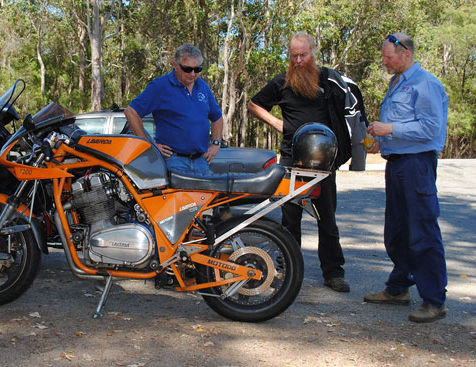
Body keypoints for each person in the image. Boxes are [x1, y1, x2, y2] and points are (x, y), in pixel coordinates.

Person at [248, 32, 368, 293]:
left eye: (303, 55)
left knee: (327, 218)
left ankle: (334, 273)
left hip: (324, 161)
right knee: (290, 218)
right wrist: (279, 124)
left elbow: (350, 109)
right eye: (294, 56)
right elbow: (254, 104)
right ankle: (288, 270)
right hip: (292, 159)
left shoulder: (328, 80)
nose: (299, 60)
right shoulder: (281, 83)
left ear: (313, 53)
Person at [364, 33, 448, 323]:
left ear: (406, 54)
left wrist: (390, 129)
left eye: (389, 57)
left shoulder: (425, 84)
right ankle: (398, 288)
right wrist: (382, 142)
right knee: (397, 231)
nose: (385, 62)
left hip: (417, 165)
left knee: (422, 231)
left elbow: (430, 129)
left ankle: (434, 300)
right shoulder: (397, 82)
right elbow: (403, 125)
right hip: (398, 163)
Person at [124, 44, 223, 176]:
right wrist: (149, 146)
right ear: (175, 65)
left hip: (201, 161)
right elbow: (131, 112)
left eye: (197, 69)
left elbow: (217, 117)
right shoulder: (160, 86)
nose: (193, 74)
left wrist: (216, 144)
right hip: (173, 162)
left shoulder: (203, 86)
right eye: (187, 69)